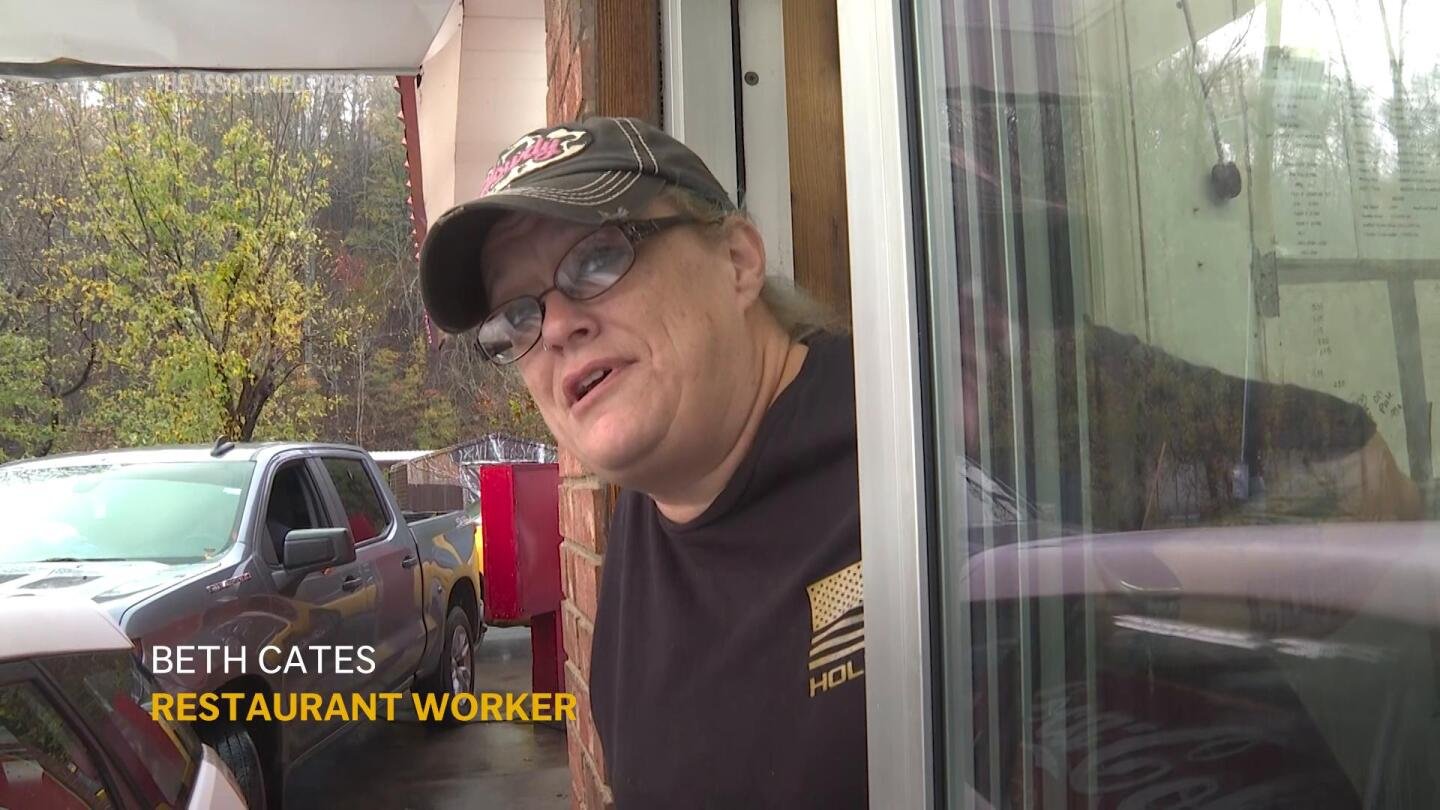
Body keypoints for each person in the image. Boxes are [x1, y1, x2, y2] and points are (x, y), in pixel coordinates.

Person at [418, 117, 868, 809]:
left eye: (598, 259)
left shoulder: (911, 467)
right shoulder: (641, 523)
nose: (558, 326)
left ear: (739, 262)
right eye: (516, 317)